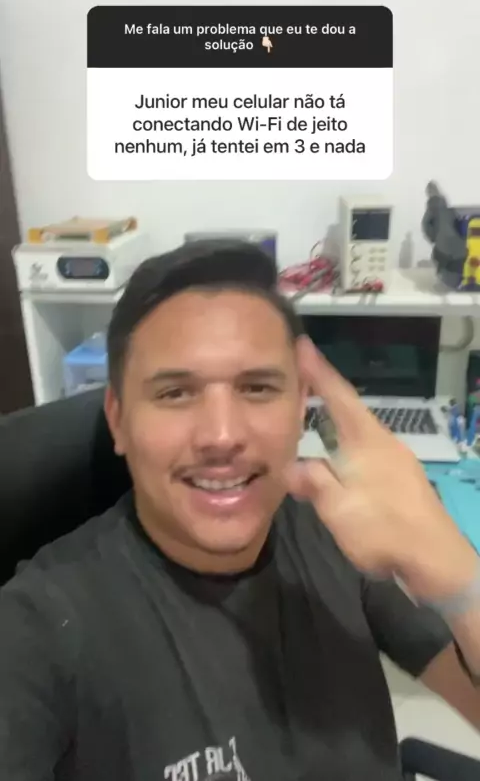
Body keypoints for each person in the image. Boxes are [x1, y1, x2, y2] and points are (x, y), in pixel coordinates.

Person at [1, 239, 480, 781]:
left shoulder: (337, 534)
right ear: (118, 418)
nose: (222, 435)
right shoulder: (37, 626)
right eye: (175, 393)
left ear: (300, 405)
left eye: (257, 387)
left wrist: (460, 578)